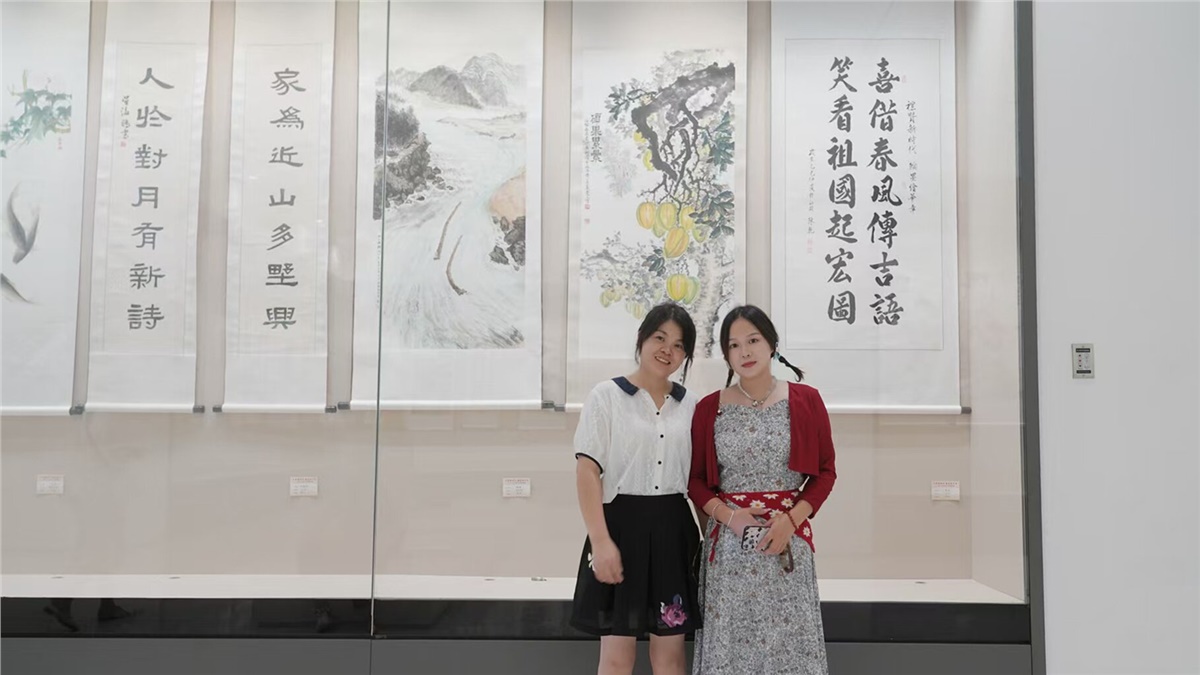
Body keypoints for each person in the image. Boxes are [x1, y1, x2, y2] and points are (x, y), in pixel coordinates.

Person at [688, 305, 837, 675]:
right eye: (734, 345)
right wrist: (731, 517)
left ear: (771, 344)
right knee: (731, 652)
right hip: (730, 551)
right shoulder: (708, 408)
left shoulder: (806, 400)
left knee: (788, 648)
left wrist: (790, 520)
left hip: (788, 544)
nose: (745, 351)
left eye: (753, 340)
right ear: (726, 355)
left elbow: (825, 473)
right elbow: (695, 482)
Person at [570, 302, 702, 675]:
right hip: (619, 530)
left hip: (673, 532)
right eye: (660, 338)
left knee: (670, 657)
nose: (667, 350)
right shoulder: (606, 396)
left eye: (679, 345)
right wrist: (600, 541)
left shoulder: (691, 405)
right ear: (642, 338)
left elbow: (699, 480)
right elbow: (587, 470)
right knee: (617, 656)